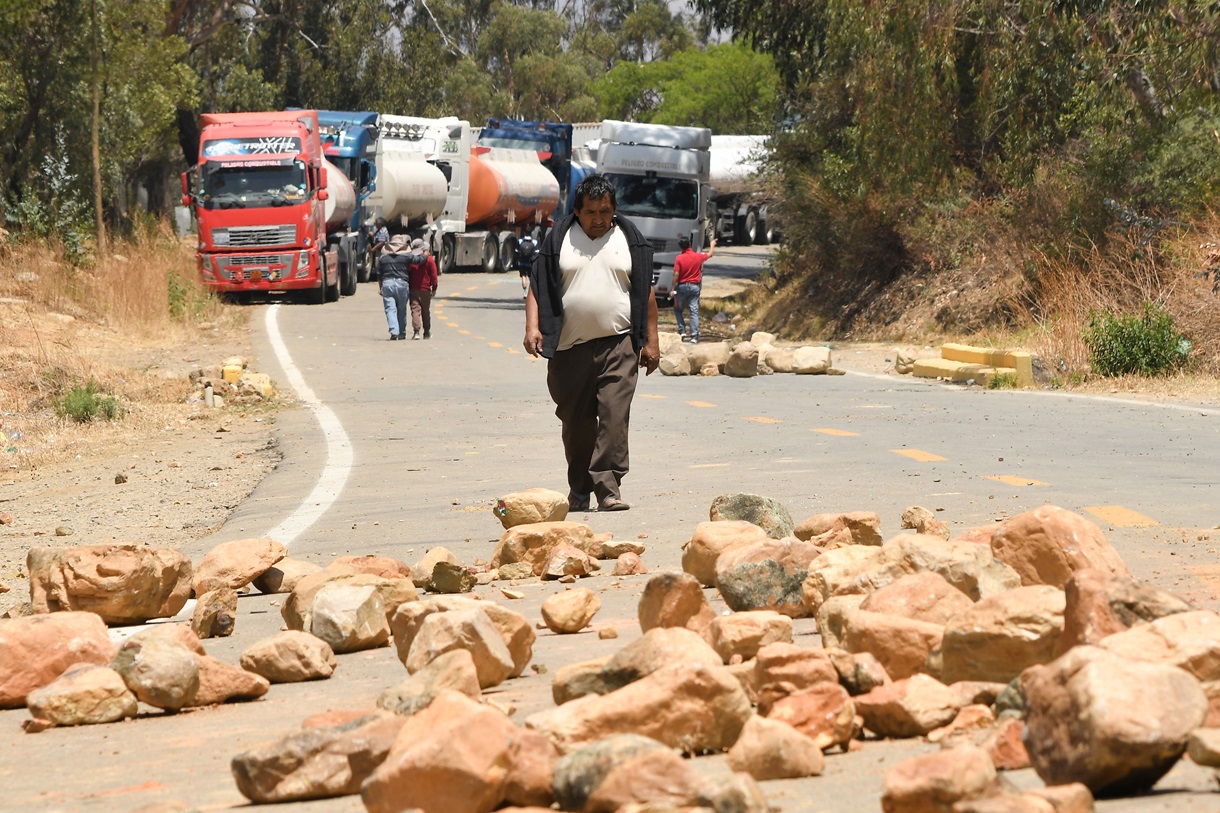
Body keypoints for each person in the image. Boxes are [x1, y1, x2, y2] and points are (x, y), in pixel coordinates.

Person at [523, 173, 660, 513]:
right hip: (570, 349)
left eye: (605, 211)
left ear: (613, 209)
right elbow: (537, 287)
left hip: (619, 345)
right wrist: (532, 327)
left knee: (614, 417)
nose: (599, 219)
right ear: (577, 211)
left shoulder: (629, 240)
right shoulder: (559, 240)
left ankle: (608, 487)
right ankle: (579, 489)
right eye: (591, 212)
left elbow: (646, 293)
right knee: (577, 425)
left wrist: (653, 341)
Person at [672, 234, 715, 343]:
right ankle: (694, 336)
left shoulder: (679, 258)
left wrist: (672, 288)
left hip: (681, 287)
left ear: (680, 247)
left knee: (678, 309)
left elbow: (676, 274)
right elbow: (710, 254)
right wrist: (712, 245)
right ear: (690, 244)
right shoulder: (698, 256)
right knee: (694, 311)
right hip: (695, 287)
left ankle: (682, 331)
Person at [376, 234, 416, 340]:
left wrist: (380, 288)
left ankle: (394, 331)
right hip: (402, 284)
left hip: (387, 284)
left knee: (390, 309)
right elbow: (419, 260)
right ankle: (402, 333)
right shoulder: (406, 257)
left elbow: (379, 274)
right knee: (402, 310)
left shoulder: (383, 258)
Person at [407, 237, 439, 339]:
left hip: (413, 289)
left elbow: (408, 273)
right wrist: (434, 288)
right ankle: (426, 332)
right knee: (426, 311)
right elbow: (434, 276)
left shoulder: (411, 260)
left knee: (415, 310)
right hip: (425, 290)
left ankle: (416, 332)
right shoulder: (429, 260)